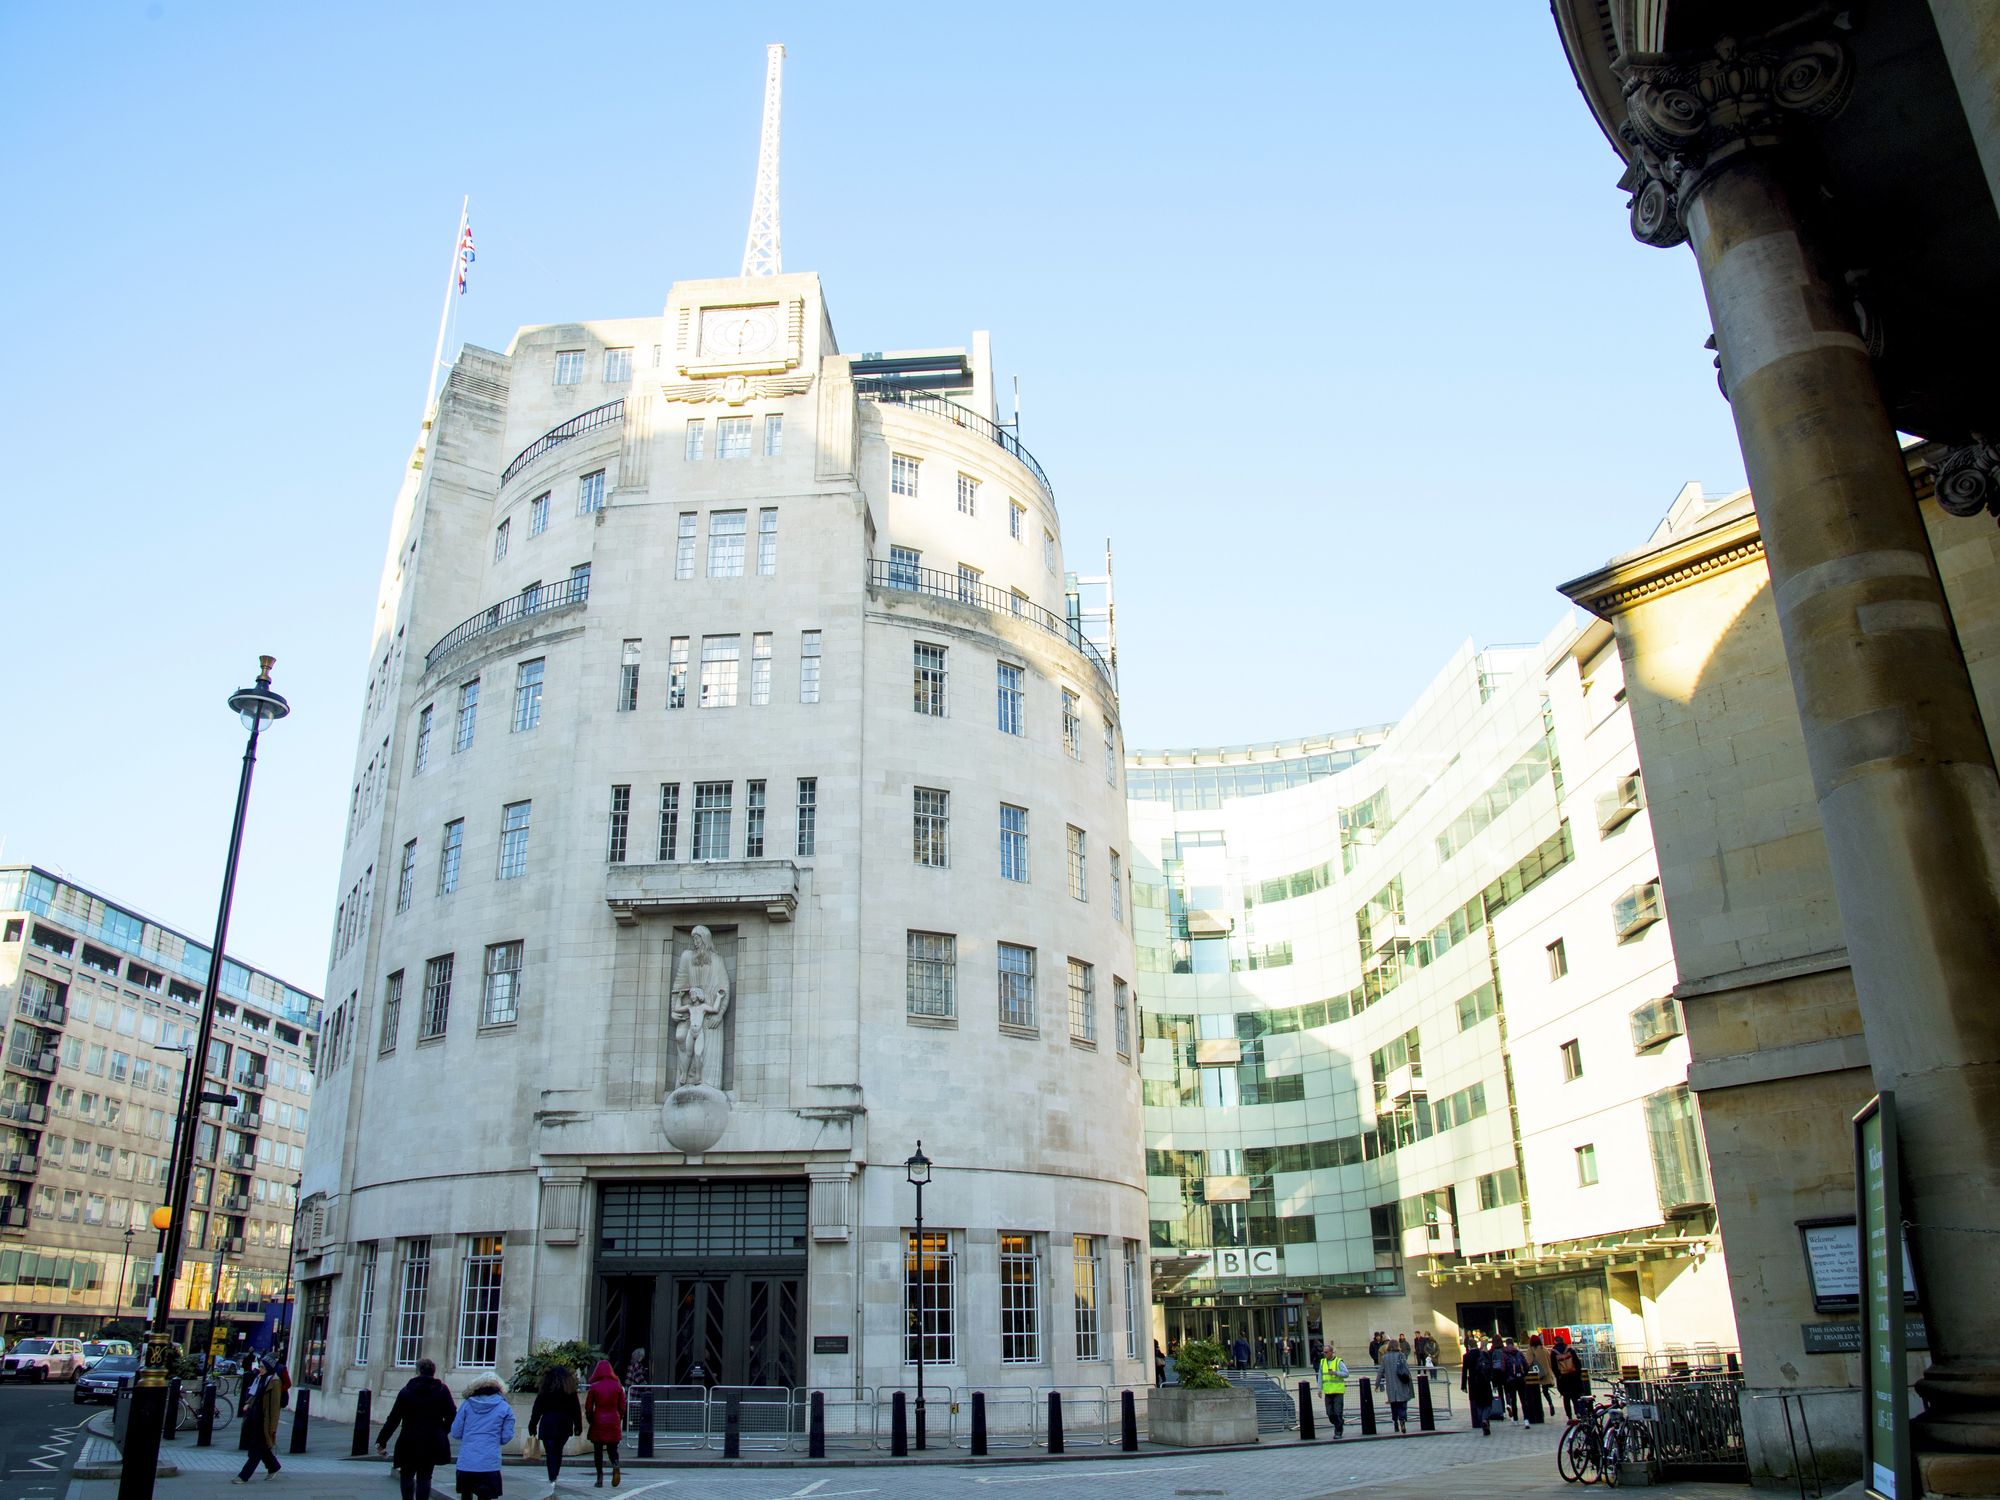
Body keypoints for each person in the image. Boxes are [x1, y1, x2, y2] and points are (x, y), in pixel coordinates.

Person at [377, 1357, 457, 1500]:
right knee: (425, 1476)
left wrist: (382, 1441)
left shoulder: (406, 1391)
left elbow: (394, 1418)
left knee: (407, 1474)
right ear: (433, 1371)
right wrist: (442, 1431)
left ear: (419, 1371)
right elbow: (452, 1415)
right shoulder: (442, 1390)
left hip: (409, 1438)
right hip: (432, 1439)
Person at [450, 1375, 516, 1500]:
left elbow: (456, 1432)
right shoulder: (504, 1407)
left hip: (467, 1461)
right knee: (486, 1496)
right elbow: (506, 1437)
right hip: (489, 1462)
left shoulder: (467, 1405)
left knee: (466, 1494)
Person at [529, 1366, 584, 1497]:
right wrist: (578, 1426)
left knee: (550, 1452)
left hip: (548, 1422)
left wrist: (532, 1425)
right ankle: (555, 1475)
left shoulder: (545, 1390)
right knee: (558, 1450)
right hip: (564, 1423)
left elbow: (537, 1409)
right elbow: (575, 1409)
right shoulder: (569, 1391)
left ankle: (552, 1476)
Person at [232, 1356, 285, 1483]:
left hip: (264, 1420)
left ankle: (244, 1476)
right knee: (260, 1446)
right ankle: (274, 1466)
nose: (259, 1369)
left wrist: (272, 1428)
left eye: (262, 1367)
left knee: (256, 1449)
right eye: (259, 1366)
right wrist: (248, 1404)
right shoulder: (260, 1378)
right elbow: (255, 1395)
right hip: (255, 1416)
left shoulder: (275, 1382)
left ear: (268, 1368)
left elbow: (274, 1407)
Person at [583, 1359, 625, 1487]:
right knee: (612, 1449)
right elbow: (622, 1406)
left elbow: (588, 1407)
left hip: (599, 1420)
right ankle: (615, 1464)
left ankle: (599, 1477)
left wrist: (591, 1419)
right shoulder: (617, 1386)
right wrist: (619, 1418)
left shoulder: (594, 1387)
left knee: (598, 1451)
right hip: (613, 1420)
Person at [1461, 1334, 1494, 1436]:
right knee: (1488, 1403)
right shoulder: (1483, 1354)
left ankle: (1482, 1420)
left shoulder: (1466, 1356)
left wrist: (1464, 1386)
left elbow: (1464, 1372)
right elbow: (1490, 1368)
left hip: (1474, 1383)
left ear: (1469, 1347)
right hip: (1485, 1381)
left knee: (1478, 1404)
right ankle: (1485, 1420)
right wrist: (1493, 1381)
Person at [1379, 1342, 1415, 1433]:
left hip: (1391, 1385)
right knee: (1402, 1404)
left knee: (1394, 1404)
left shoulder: (1385, 1357)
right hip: (1401, 1383)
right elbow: (1406, 1368)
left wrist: (1377, 1384)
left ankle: (1395, 1421)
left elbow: (1380, 1371)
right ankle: (1402, 1420)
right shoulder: (1401, 1355)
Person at [1552, 1336, 1588, 1420]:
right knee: (1575, 1397)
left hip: (1563, 1378)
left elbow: (1554, 1366)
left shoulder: (1554, 1352)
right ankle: (1578, 1413)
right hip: (1573, 1376)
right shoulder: (1570, 1349)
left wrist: (1558, 1376)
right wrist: (1578, 1374)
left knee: (1566, 1398)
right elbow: (1577, 1363)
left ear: (1555, 1342)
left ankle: (1569, 1416)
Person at [1317, 1346, 1349, 1437]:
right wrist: (1319, 1389)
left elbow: (1346, 1373)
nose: (1324, 1354)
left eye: (1326, 1352)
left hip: (1338, 1391)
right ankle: (1339, 1423)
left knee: (1337, 1412)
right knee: (1330, 1413)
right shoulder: (1322, 1362)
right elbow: (1320, 1376)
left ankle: (1338, 1431)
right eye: (1324, 1352)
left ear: (1331, 1352)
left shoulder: (1339, 1361)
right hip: (1328, 1392)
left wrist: (1336, 1373)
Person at [1526, 1334, 1557, 1420]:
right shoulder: (1544, 1349)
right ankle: (1550, 1403)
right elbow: (1549, 1360)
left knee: (1535, 1392)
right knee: (1545, 1390)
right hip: (1546, 1373)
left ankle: (1538, 1412)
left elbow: (1528, 1362)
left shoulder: (1531, 1350)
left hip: (1536, 1375)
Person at [1501, 1337, 1529, 1424]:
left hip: (1511, 1380)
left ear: (1506, 1344)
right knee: (1523, 1400)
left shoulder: (1504, 1354)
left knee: (1513, 1399)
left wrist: (1505, 1378)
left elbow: (1503, 1368)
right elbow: (1526, 1365)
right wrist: (1524, 1375)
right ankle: (1526, 1419)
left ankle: (1515, 1419)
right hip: (1520, 1379)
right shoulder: (1519, 1353)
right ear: (1513, 1344)